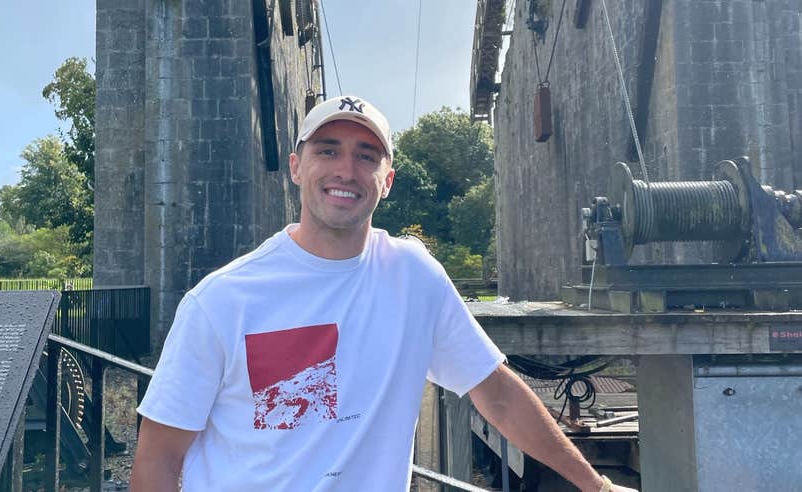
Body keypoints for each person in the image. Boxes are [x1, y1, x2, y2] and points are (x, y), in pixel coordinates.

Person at [130, 96, 636, 492]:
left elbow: (497, 394)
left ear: (387, 180)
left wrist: (596, 484)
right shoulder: (222, 300)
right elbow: (159, 457)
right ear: (296, 167)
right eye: (327, 150)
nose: (346, 171)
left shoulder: (413, 275)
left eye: (365, 156)